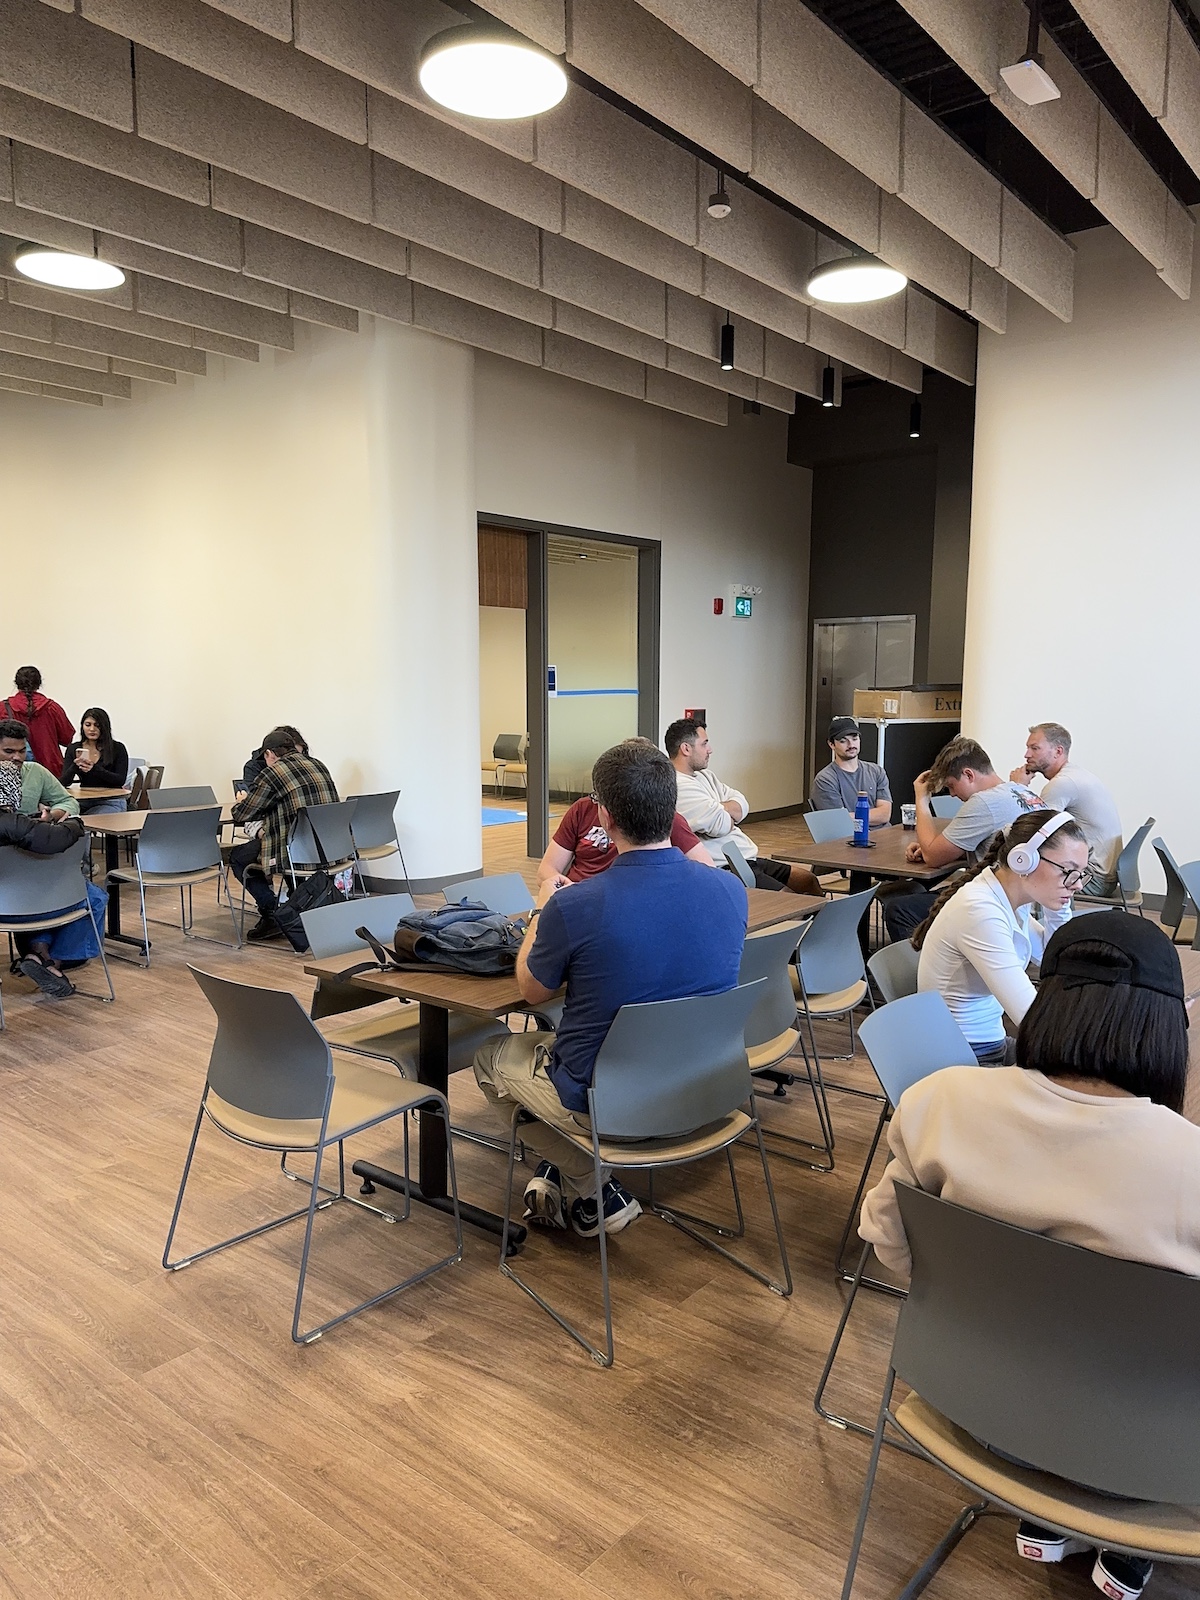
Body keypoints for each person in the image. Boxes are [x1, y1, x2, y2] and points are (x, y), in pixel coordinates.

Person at [860, 912, 1198, 1600]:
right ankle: (1122, 1530)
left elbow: (890, 1241)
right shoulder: (1187, 1167)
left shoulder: (937, 1103)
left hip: (977, 1407)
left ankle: (1062, 1514)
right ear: (1168, 1031)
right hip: (1154, 1459)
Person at [474, 740, 748, 1237]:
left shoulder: (575, 906)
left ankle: (593, 1182)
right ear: (673, 807)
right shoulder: (731, 891)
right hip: (706, 1088)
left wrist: (541, 910)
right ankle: (569, 1172)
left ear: (604, 816)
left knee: (492, 1055)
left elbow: (532, 992)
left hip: (609, 1103)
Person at [913, 810, 1088, 1061]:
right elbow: (1029, 1015)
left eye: (1080, 873)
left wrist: (1058, 907)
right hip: (963, 1054)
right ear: (1023, 860)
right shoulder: (980, 910)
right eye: (1068, 871)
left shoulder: (1010, 897)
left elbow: (1055, 958)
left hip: (986, 1042)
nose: (1077, 884)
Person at [881, 735, 1045, 942]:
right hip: (1032, 902)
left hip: (998, 904)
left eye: (951, 785)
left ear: (968, 775)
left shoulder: (984, 802)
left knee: (900, 909)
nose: (951, 794)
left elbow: (933, 857)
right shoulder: (1022, 792)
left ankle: (926, 971)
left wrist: (921, 800)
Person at [665, 718, 822, 896]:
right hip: (728, 866)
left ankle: (830, 924)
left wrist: (718, 808)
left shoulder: (705, 776)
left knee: (808, 880)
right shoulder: (677, 785)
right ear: (686, 748)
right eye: (704, 744)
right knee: (790, 901)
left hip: (748, 857)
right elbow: (721, 824)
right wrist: (725, 812)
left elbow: (741, 803)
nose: (710, 750)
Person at [538, 751, 715, 885]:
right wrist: (567, 890)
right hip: (580, 897)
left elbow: (707, 870)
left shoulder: (667, 818)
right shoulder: (582, 809)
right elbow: (546, 869)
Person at [229, 726, 338, 941]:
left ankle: (272, 914)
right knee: (269, 847)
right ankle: (296, 908)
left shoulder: (273, 772)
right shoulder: (319, 764)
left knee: (238, 858)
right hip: (328, 847)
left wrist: (241, 801)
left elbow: (242, 814)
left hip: (294, 849)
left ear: (269, 754)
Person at [1010, 722, 1122, 899]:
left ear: (1058, 751)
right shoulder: (1075, 774)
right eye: (1027, 748)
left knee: (1013, 869)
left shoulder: (1063, 783)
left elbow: (1032, 833)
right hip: (1104, 875)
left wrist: (1017, 788)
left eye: (1035, 748)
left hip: (1092, 879)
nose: (1027, 755)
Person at [0, 803, 90, 998]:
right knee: (91, 896)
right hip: (21, 905)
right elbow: (52, 839)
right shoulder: (7, 822)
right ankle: (53, 961)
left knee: (43, 894)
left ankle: (41, 956)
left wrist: (33, 823)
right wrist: (75, 823)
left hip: (13, 902)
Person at [810, 716, 892, 823]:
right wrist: (873, 814)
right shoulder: (825, 779)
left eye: (854, 739)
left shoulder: (876, 771)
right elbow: (839, 821)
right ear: (831, 744)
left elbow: (885, 815)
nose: (851, 745)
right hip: (851, 837)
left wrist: (851, 816)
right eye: (843, 741)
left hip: (883, 833)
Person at [0, 719, 80, 822]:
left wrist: (51, 815)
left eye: (22, 751)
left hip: (28, 834)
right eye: (9, 751)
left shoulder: (36, 771)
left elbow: (69, 803)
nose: (17, 757)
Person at [2, 666, 73, 775]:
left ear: (16, 683)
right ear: (39, 684)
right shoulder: (52, 708)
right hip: (50, 770)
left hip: (13, 771)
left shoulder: (4, 708)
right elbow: (67, 738)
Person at [61, 707, 129, 815]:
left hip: (111, 800)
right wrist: (75, 766)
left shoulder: (117, 748)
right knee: (63, 814)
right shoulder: (74, 748)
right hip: (84, 800)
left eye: (97, 725)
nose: (92, 729)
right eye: (88, 725)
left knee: (86, 820)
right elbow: (64, 782)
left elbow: (120, 780)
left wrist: (94, 769)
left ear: (105, 727)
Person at [239, 725, 309, 795]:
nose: (296, 759)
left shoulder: (307, 765)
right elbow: (254, 800)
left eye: (299, 755)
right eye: (290, 754)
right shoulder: (254, 767)